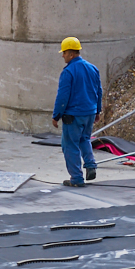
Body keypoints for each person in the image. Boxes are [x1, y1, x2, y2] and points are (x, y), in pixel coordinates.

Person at [52, 36, 103, 187]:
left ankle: (76, 178)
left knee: (70, 145)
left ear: (71, 54)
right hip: (89, 112)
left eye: (64, 53)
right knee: (85, 139)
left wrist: (56, 115)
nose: (63, 55)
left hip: (73, 115)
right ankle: (90, 165)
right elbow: (98, 91)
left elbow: (63, 96)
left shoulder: (68, 72)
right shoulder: (93, 68)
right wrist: (97, 110)